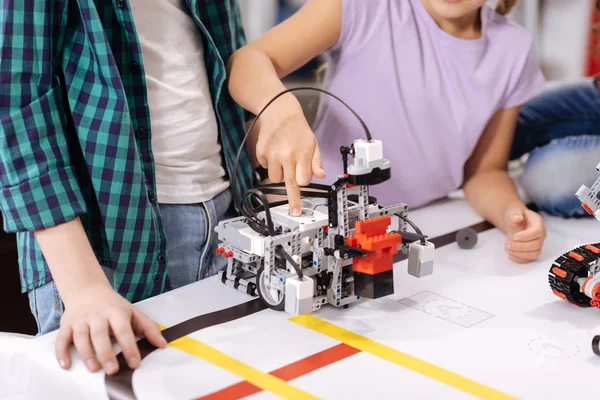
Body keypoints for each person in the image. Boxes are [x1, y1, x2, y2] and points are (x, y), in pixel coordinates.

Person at [0, 1, 257, 375]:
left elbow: (221, 45)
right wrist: (84, 286)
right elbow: (14, 101)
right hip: (100, 247)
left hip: (224, 216)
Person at [228, 0, 552, 264]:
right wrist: (280, 109)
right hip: (305, 217)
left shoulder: (514, 49)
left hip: (405, 231)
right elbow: (250, 59)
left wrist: (511, 212)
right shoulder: (363, 6)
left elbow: (484, 172)